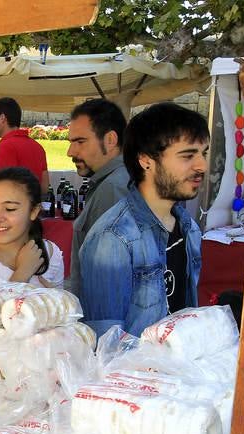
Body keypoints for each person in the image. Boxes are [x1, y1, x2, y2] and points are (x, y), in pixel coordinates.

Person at [79, 102, 208, 337]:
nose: (202, 166)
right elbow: (108, 343)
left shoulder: (188, 226)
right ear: (146, 161)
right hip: (137, 361)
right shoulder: (113, 238)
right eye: (188, 155)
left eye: (204, 153)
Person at [67, 98, 130, 295]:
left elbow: (111, 276)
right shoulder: (115, 181)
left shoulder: (113, 188)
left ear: (110, 140)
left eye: (80, 142)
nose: (70, 152)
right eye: (71, 142)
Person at [0, 97, 49, 192]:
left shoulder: (7, 146)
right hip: (33, 200)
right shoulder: (38, 147)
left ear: (2, 118)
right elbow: (44, 188)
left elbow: (4, 188)